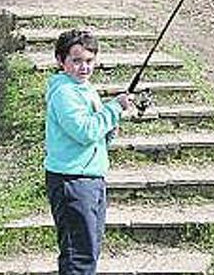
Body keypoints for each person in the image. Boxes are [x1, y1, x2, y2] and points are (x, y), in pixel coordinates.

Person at [44, 30, 135, 274]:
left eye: (88, 61)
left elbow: (97, 134)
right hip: (71, 181)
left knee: (89, 251)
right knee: (78, 257)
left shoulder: (85, 89)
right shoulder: (64, 93)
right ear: (61, 61)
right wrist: (114, 108)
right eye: (76, 60)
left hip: (91, 179)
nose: (83, 67)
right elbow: (84, 131)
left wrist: (111, 122)